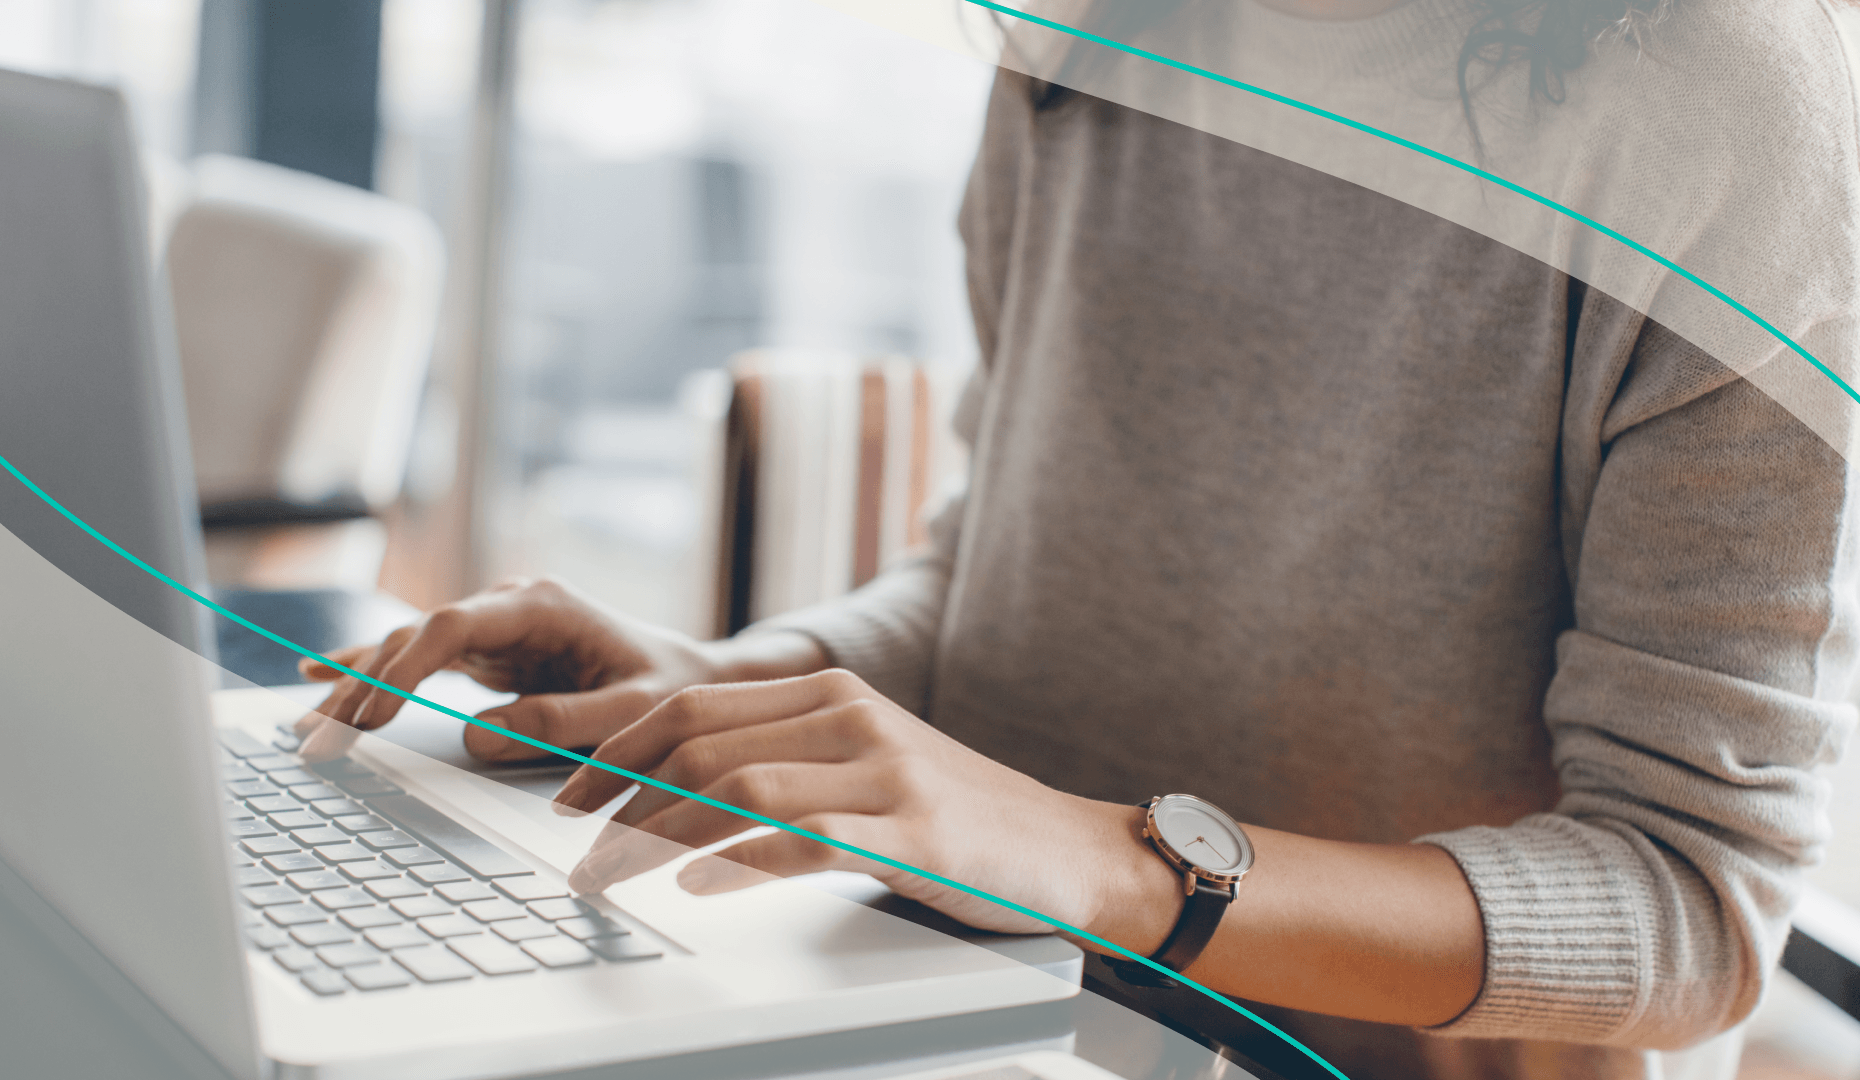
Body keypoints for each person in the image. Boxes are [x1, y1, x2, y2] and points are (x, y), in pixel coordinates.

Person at [296, 0, 1860, 1076]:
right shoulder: (1080, 35)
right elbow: (999, 574)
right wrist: (730, 685)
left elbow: (1691, 904)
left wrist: (1120, 865)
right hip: (965, 1016)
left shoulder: (1733, 107)